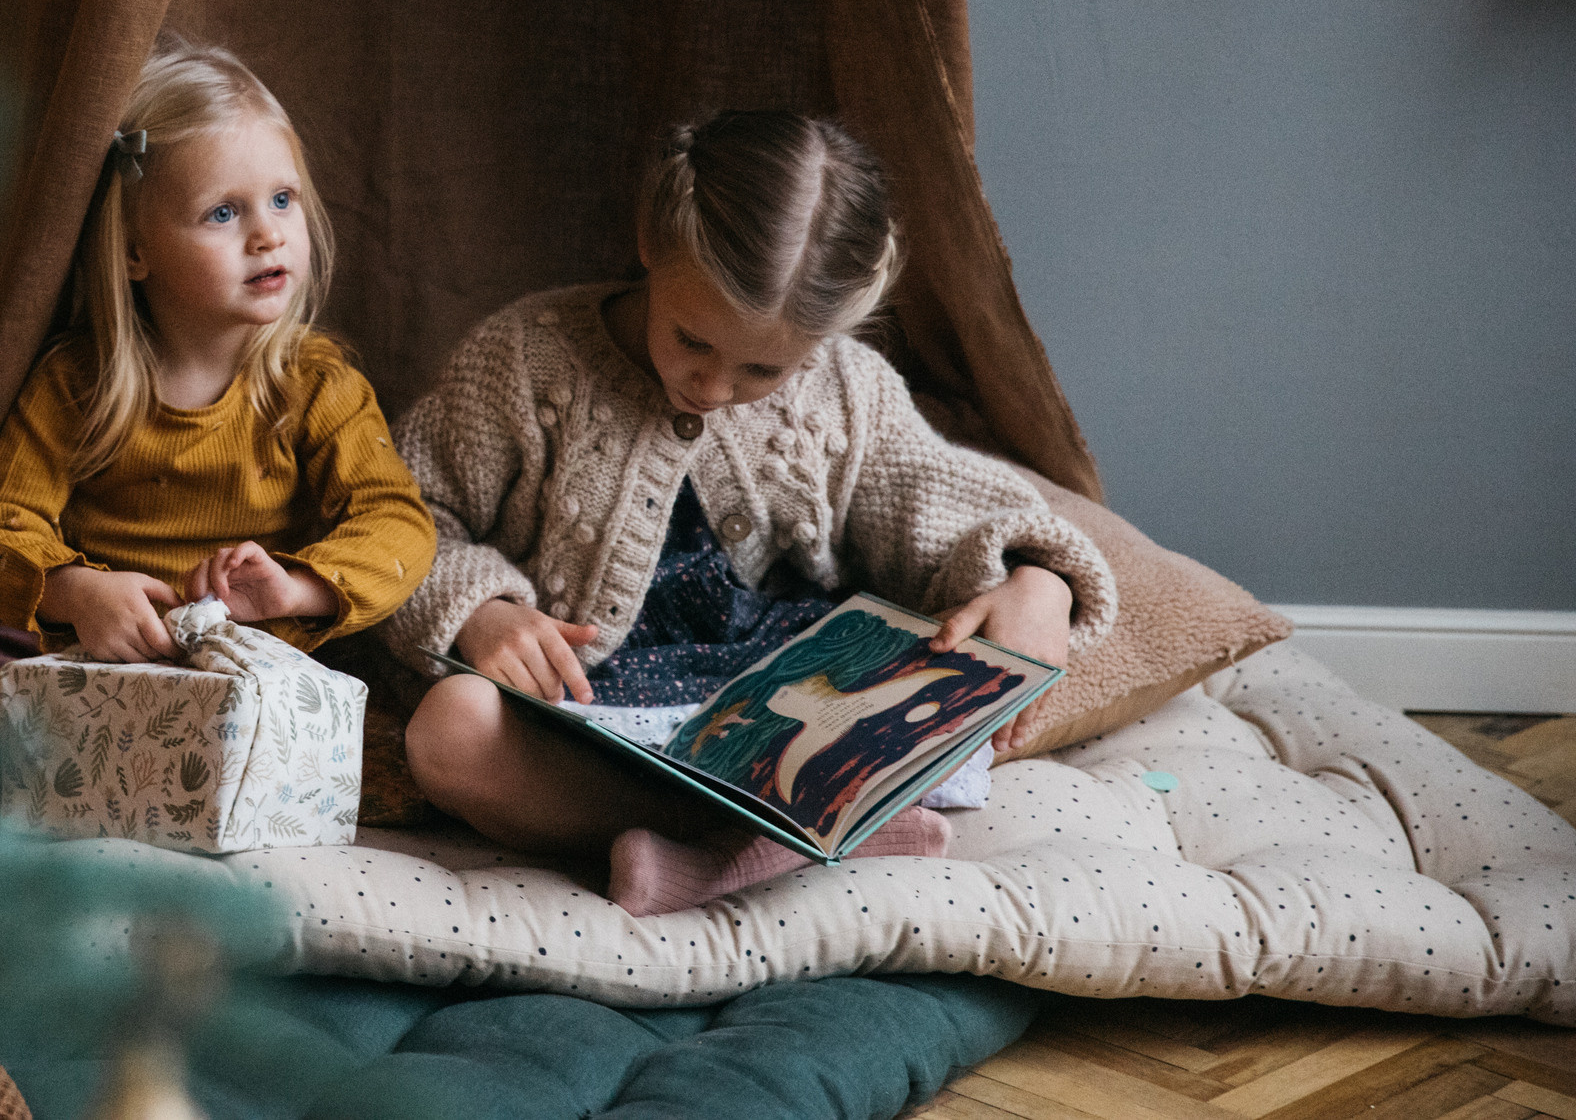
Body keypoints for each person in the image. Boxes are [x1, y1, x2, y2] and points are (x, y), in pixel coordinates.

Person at [382, 112, 1116, 914]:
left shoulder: (845, 388)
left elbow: (957, 505)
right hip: (598, 710)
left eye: (762, 366)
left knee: (947, 668)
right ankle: (770, 843)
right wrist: (482, 611)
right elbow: (406, 517)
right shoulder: (524, 359)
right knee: (448, 729)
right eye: (691, 339)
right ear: (650, 241)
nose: (714, 386)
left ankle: (720, 852)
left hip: (791, 707)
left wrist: (1038, 580)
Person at [0, 36, 435, 675]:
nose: (268, 234)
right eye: (222, 213)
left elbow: (399, 521)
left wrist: (298, 588)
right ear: (134, 252)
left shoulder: (315, 383)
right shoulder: (76, 382)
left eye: (283, 199)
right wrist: (78, 593)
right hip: (92, 657)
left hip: (251, 663)